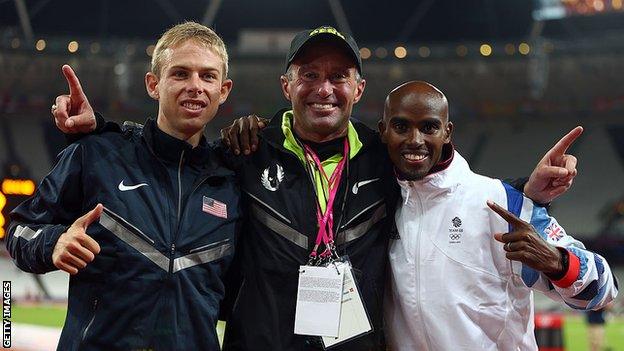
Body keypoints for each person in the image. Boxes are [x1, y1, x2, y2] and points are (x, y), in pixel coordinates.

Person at [52, 26, 578, 350]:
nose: (324, 88)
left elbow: (443, 186)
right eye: (309, 73)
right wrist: (101, 131)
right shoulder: (245, 150)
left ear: (358, 88)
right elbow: (171, 158)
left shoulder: (385, 154)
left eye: (339, 75)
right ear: (287, 85)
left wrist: (522, 190)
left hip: (352, 346)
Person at [6, 22, 239, 350]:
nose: (195, 86)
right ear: (153, 84)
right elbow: (19, 229)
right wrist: (53, 242)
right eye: (180, 74)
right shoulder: (96, 156)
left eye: (208, 76)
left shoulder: (231, 184)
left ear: (224, 90)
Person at [379, 81, 618, 350]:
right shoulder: (380, 205)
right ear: (383, 131)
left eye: (429, 127)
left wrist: (556, 262)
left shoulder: (502, 203)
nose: (415, 140)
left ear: (447, 132)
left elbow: (604, 287)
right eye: (401, 127)